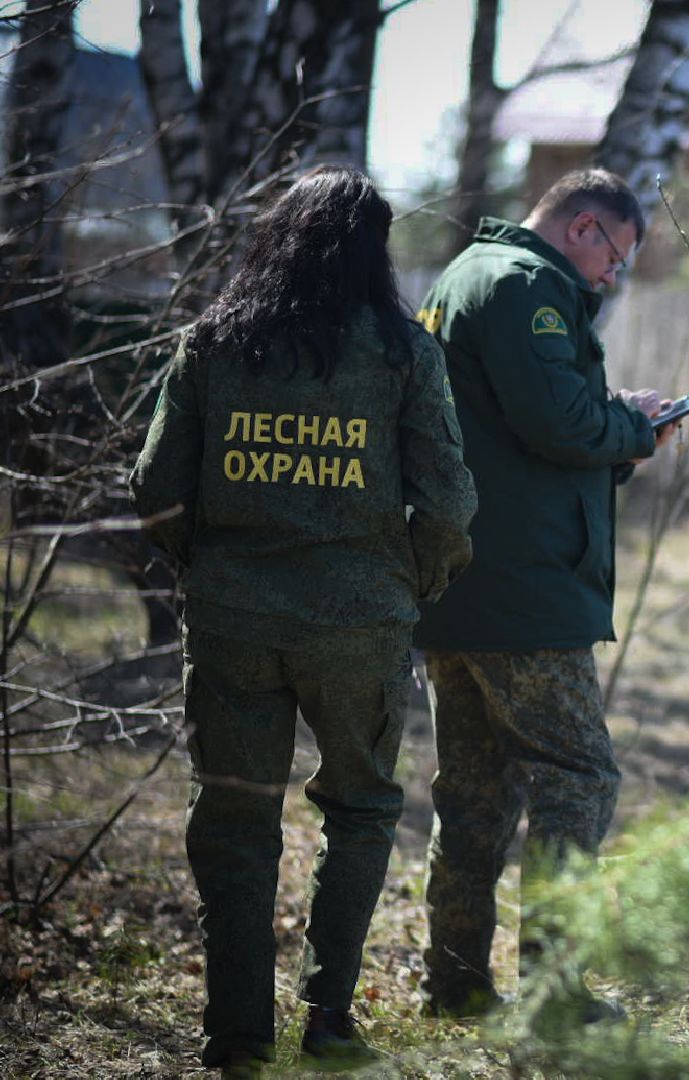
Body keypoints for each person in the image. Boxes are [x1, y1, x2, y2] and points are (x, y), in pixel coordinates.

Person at [130, 165, 478, 1075]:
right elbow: (447, 501)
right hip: (360, 624)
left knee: (235, 819)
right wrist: (411, 585)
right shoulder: (404, 352)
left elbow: (155, 489)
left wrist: (206, 567)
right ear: (377, 249)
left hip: (233, 621)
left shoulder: (212, 342)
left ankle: (237, 1039)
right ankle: (329, 1024)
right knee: (361, 812)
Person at [412, 168, 676, 1018]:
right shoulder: (527, 285)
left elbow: (513, 428)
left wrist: (615, 427)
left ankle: (454, 985)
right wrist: (635, 429)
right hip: (522, 588)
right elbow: (555, 423)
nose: (612, 277)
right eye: (617, 257)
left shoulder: (466, 275)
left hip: (461, 580)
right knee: (579, 778)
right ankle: (555, 997)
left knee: (475, 793)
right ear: (584, 226)